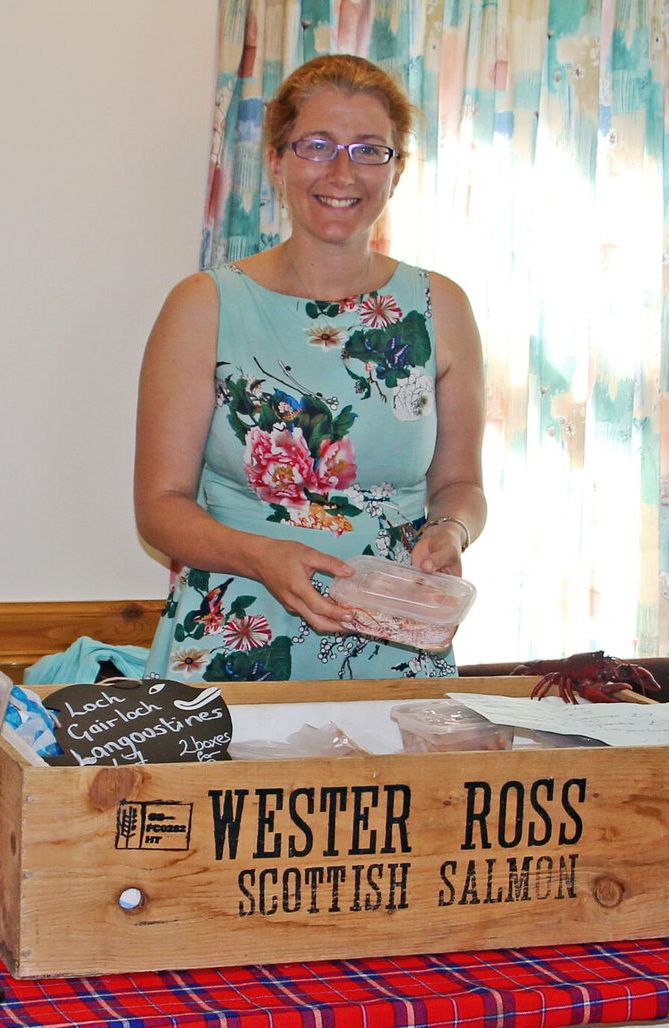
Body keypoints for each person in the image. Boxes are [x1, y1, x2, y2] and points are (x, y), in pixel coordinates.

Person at [135, 54, 486, 681]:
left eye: (369, 150)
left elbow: (461, 485)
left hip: (394, 643)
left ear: (397, 171)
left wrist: (453, 531)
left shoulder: (443, 308)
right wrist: (263, 554)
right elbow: (159, 506)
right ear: (276, 160)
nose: (342, 171)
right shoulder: (204, 305)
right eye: (317, 145)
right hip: (236, 637)